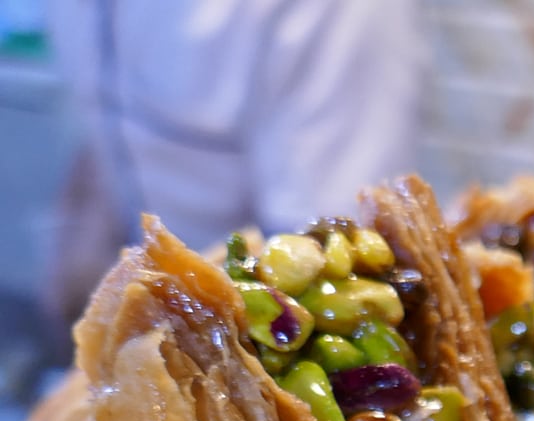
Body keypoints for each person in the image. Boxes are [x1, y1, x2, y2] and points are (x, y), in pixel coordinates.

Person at [43, 0, 424, 338]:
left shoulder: (328, 11)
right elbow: (116, 121)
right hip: (142, 307)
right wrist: (80, 235)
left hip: (249, 341)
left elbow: (328, 259)